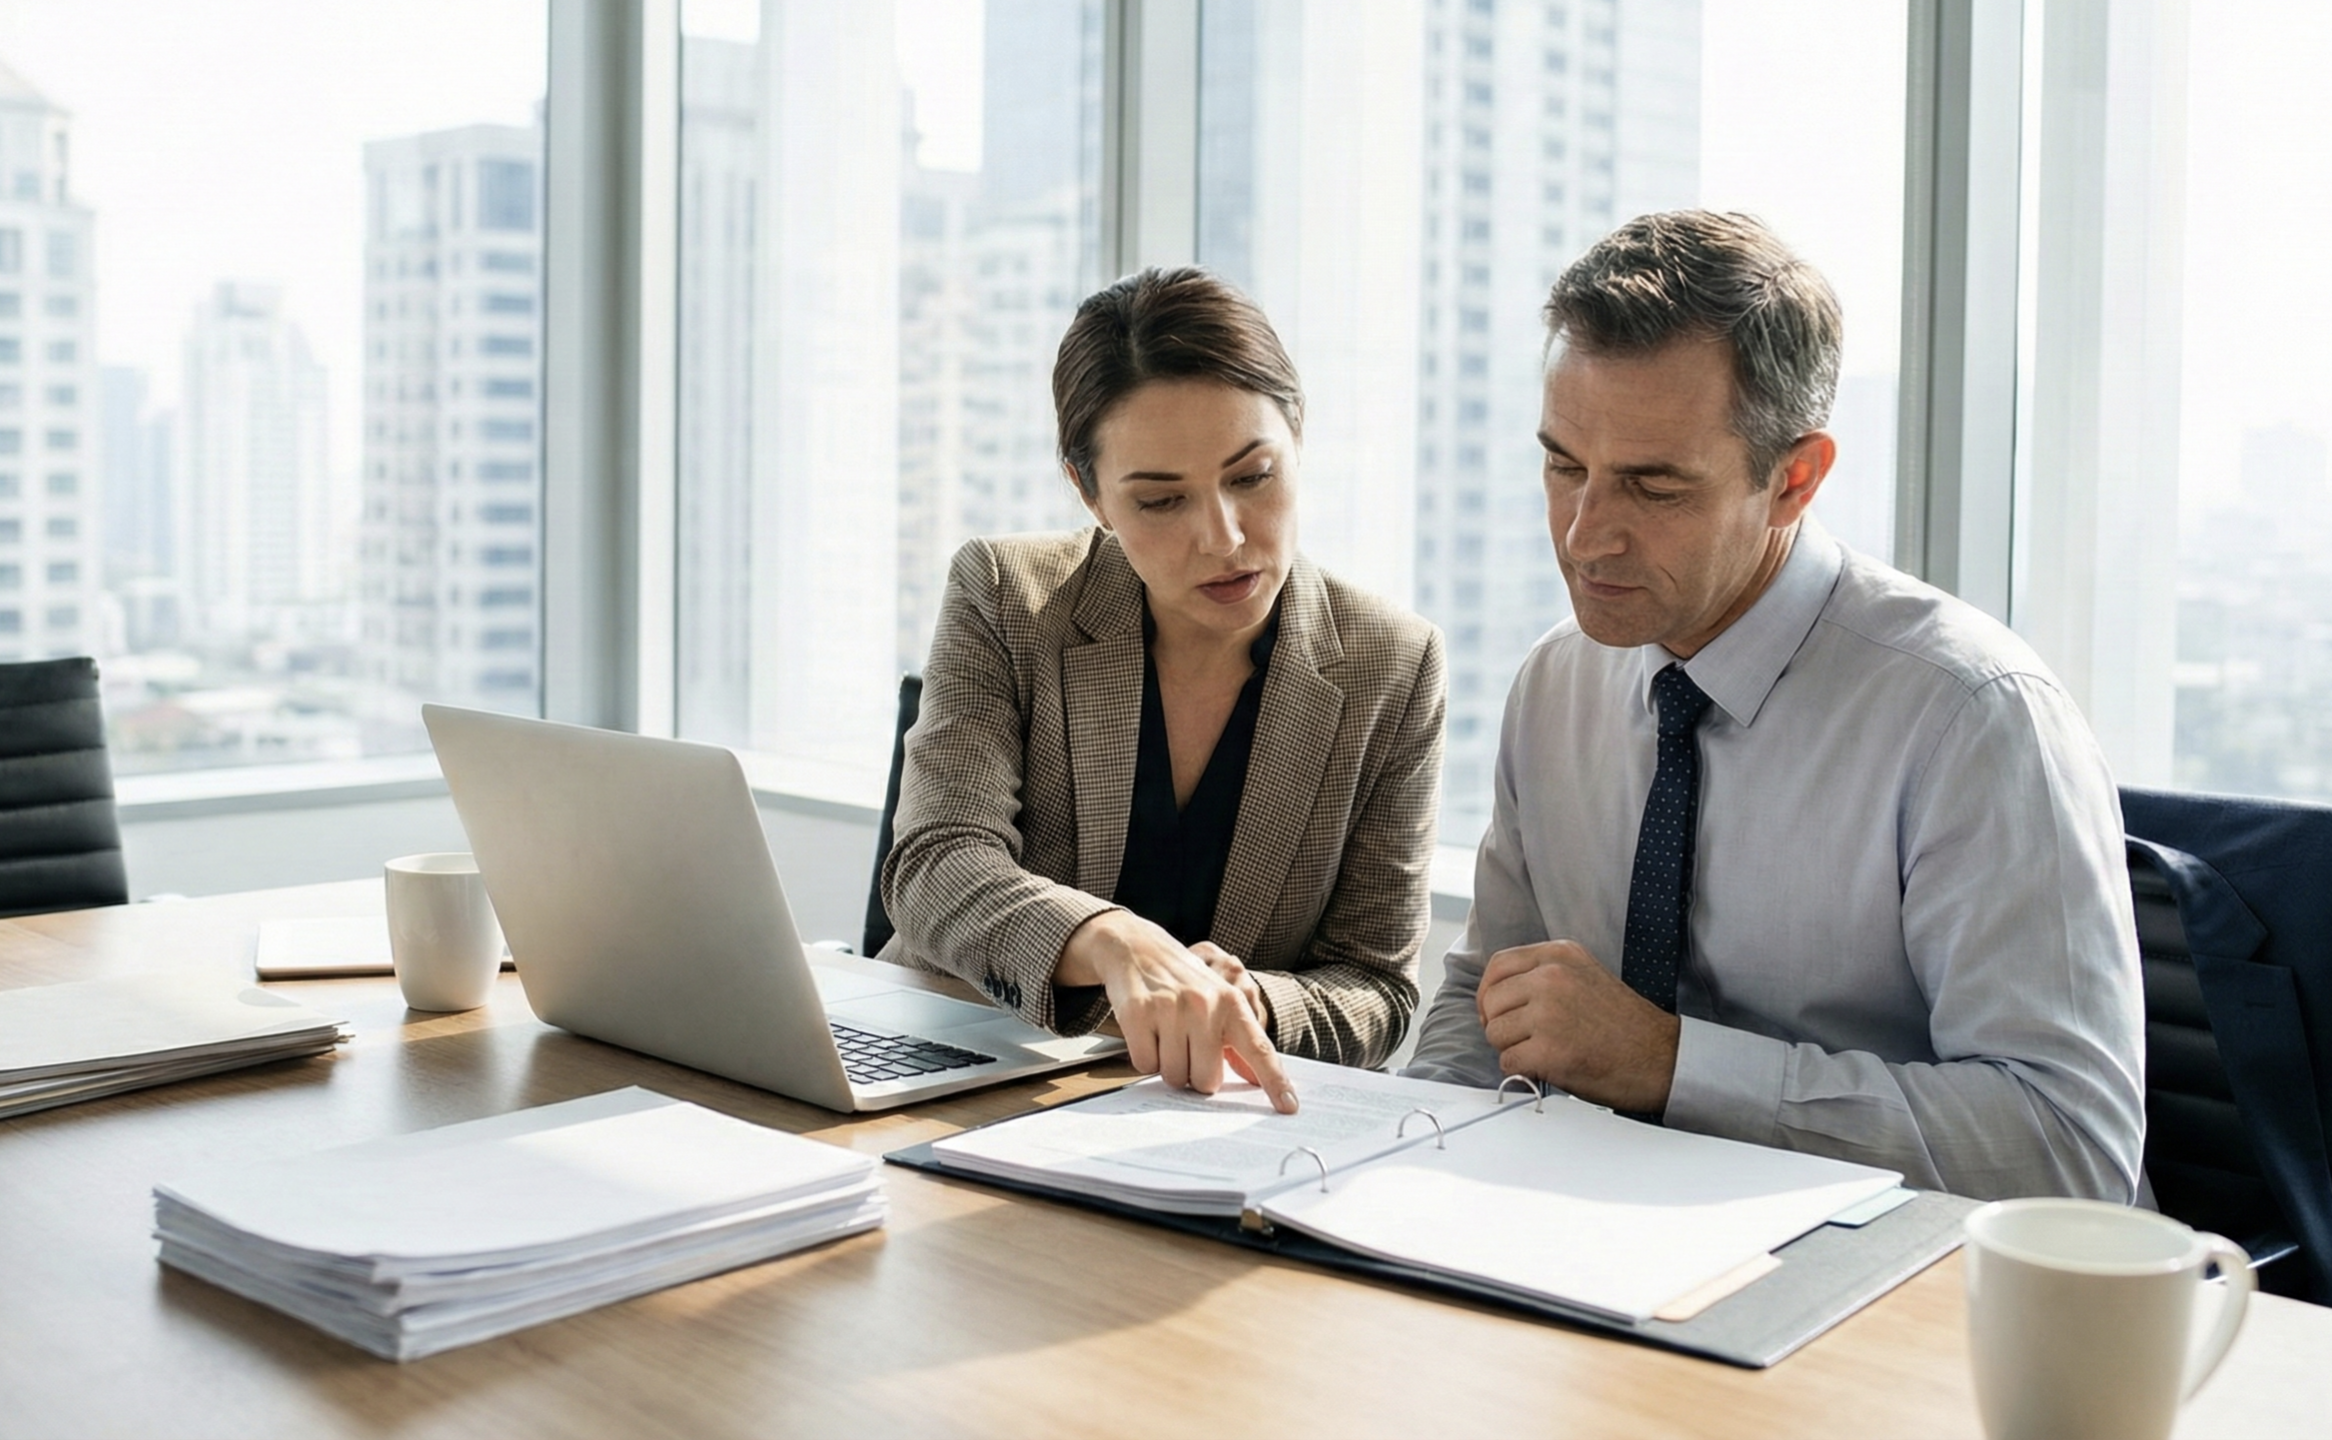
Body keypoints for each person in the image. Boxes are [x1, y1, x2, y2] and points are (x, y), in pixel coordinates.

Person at [1404, 211, 2146, 1201]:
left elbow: (2071, 1149)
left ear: (1793, 480)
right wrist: (1401, 1176)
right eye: (1563, 466)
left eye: (1652, 487)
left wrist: (1672, 1065)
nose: (1584, 536)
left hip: (1892, 1270)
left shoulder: (1973, 719)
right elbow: (1488, 999)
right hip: (1607, 1238)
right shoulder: (1557, 682)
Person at [881, 266, 1445, 1114]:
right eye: (1161, 500)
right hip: (965, 1082)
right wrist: (1111, 941)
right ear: (1091, 495)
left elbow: (1377, 986)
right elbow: (934, 865)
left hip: (1199, 1122)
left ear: (1298, 434)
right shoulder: (1008, 596)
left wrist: (1245, 1006)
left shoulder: (1393, 664)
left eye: (1252, 477)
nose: (1223, 537)